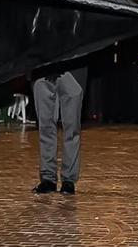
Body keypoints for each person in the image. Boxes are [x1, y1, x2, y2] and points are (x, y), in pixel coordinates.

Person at [30, 58, 86, 195]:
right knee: (45, 127)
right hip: (41, 68)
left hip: (72, 68)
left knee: (72, 128)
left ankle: (69, 179)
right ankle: (48, 178)